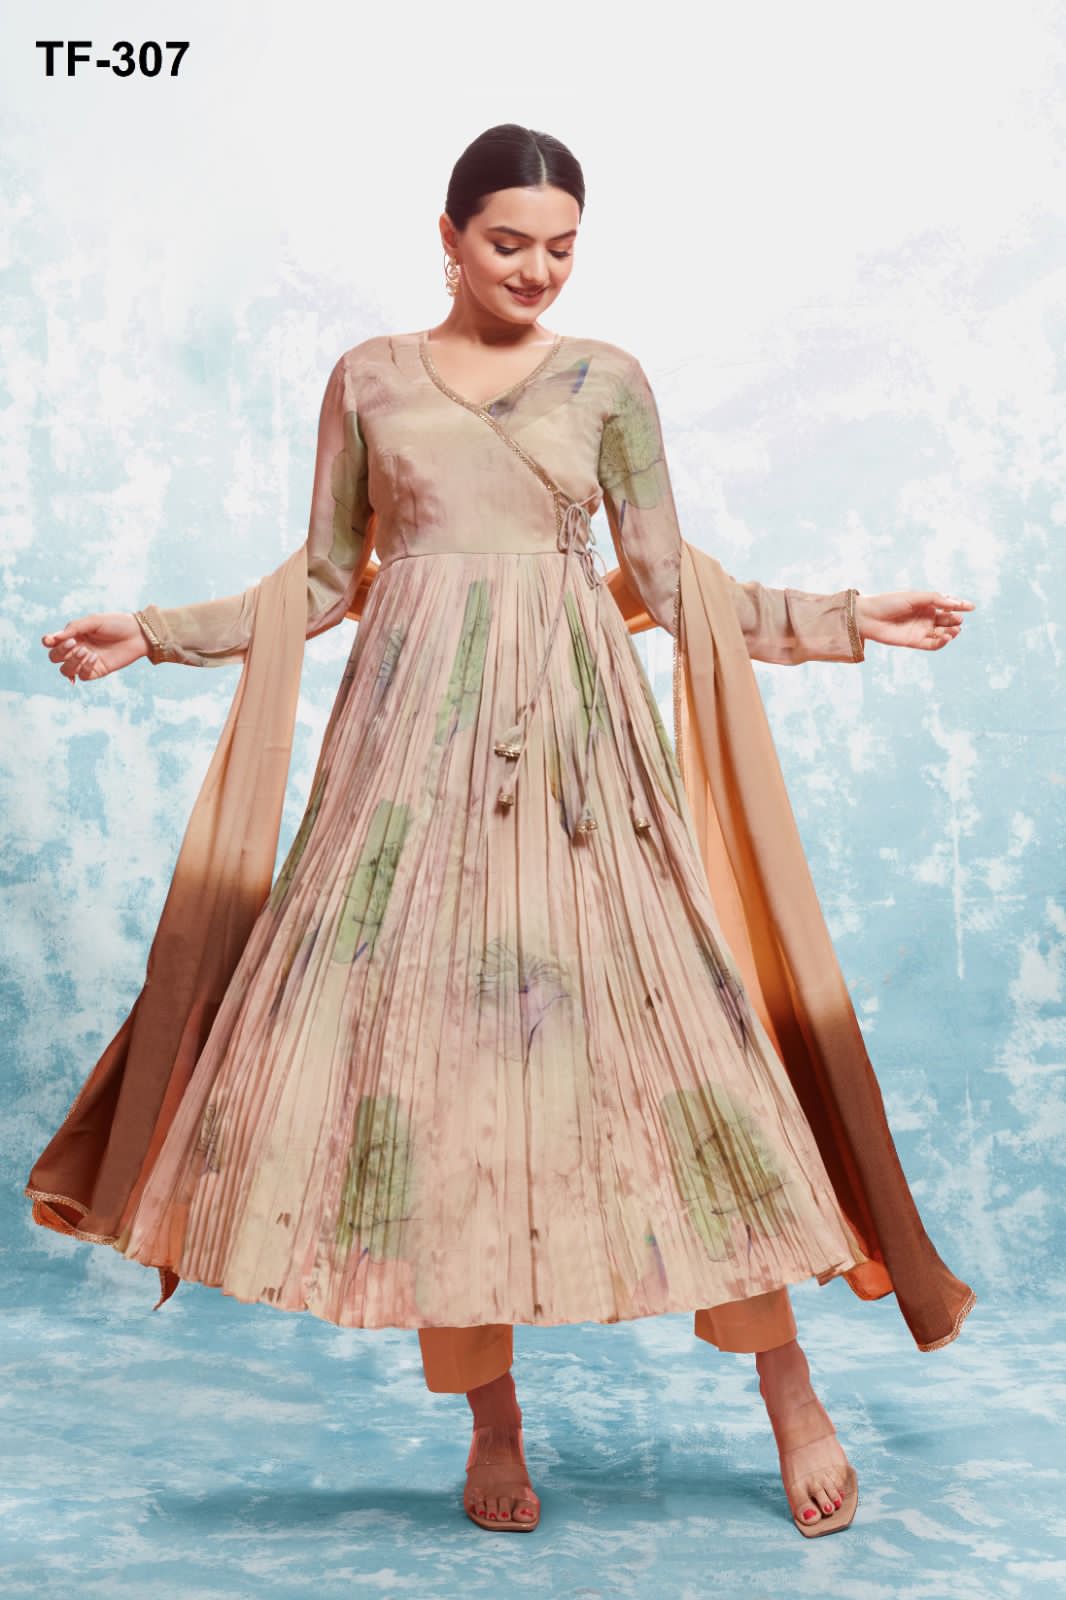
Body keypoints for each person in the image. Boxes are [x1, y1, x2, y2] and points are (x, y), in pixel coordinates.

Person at [29, 123, 976, 1539]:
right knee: (433, 1084)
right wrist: (156, 632)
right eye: (508, 243)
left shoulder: (607, 383)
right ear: (450, 237)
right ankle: (492, 1420)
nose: (536, 270)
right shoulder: (368, 378)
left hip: (580, 771)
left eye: (561, 248)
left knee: (684, 1059)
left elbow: (667, 578)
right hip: (406, 775)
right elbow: (325, 578)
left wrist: (846, 618)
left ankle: (789, 1390)